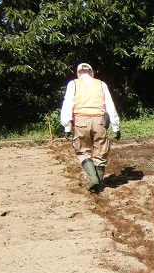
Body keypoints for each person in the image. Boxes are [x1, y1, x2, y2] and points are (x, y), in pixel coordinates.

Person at [60, 62, 121, 192]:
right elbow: (110, 105)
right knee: (101, 151)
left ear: (78, 73)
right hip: (99, 120)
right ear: (91, 73)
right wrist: (116, 126)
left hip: (81, 120)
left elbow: (67, 104)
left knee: (82, 150)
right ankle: (99, 183)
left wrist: (66, 125)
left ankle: (93, 178)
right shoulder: (101, 84)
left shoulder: (73, 84)